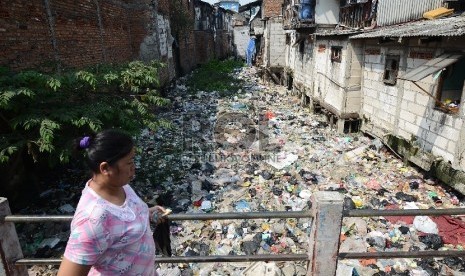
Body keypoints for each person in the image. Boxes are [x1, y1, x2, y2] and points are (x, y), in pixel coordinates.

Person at [57, 129, 165, 276]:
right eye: (129, 162)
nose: (134, 167)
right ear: (105, 168)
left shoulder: (121, 187)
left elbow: (124, 219)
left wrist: (147, 212)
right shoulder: (92, 221)